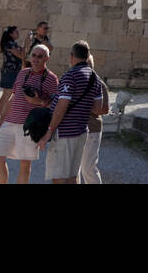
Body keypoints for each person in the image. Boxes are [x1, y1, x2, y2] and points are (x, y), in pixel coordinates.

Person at [0, 44, 58, 184]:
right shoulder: (22, 73)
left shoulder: (51, 79)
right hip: (9, 121)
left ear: (47, 58)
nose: (36, 59)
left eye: (40, 56)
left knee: (25, 164)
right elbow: (13, 99)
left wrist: (37, 101)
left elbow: (55, 105)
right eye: (34, 55)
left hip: (30, 126)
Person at [38, 41, 104, 184]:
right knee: (72, 177)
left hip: (64, 132)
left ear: (71, 56)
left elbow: (60, 108)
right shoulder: (95, 78)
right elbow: (98, 109)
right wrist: (83, 104)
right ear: (87, 57)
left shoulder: (70, 76)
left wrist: (49, 131)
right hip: (81, 131)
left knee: (59, 178)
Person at [79, 53, 110, 184]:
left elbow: (104, 109)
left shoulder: (99, 84)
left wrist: (84, 105)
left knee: (88, 169)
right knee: (74, 169)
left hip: (92, 129)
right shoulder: (77, 81)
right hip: (76, 129)